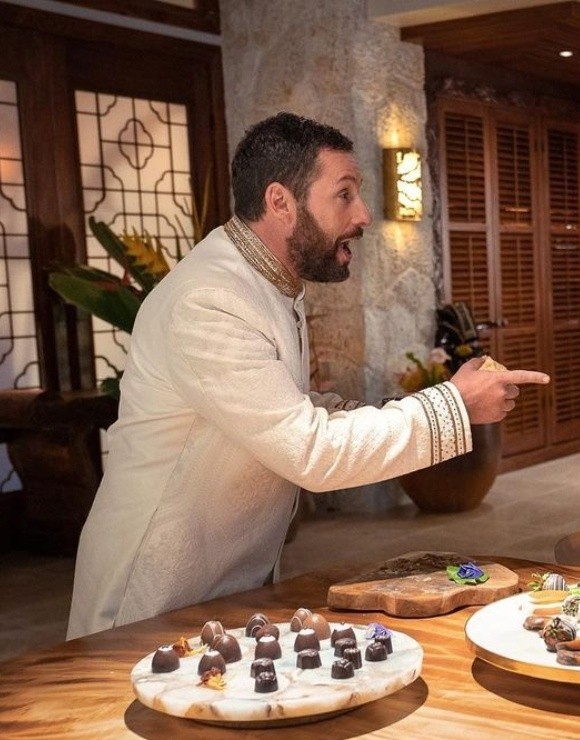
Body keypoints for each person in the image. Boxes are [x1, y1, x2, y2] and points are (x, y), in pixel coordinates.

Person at [67, 113, 549, 639]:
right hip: (154, 589)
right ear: (281, 201)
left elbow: (286, 407)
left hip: (222, 581)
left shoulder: (269, 282)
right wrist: (453, 405)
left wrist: (425, 401)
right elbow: (310, 451)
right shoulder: (209, 299)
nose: (363, 215)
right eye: (344, 194)